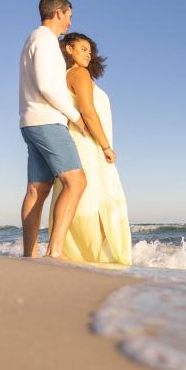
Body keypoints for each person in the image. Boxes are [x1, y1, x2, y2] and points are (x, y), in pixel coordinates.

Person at [49, 33, 132, 265]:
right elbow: (88, 111)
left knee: (87, 198)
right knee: (98, 199)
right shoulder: (79, 73)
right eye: (83, 48)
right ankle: (98, 257)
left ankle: (80, 254)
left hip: (82, 142)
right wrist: (106, 146)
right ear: (68, 49)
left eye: (90, 50)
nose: (88, 54)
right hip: (89, 145)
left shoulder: (65, 76)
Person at [19, 0, 88, 259]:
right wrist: (75, 116)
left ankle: (29, 255)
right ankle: (55, 252)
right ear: (58, 13)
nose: (70, 23)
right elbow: (47, 85)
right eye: (69, 16)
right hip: (47, 120)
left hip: (31, 121)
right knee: (77, 182)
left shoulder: (32, 39)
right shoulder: (46, 41)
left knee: (38, 188)